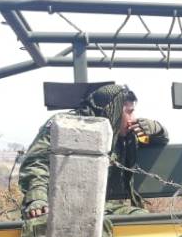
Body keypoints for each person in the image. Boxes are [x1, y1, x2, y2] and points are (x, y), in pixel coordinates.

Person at [18, 83, 168, 218]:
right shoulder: (66, 125)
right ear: (113, 111)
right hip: (60, 205)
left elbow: (159, 141)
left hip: (99, 206)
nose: (133, 119)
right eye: (129, 112)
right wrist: (37, 196)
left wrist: (157, 129)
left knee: (141, 219)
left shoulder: (125, 135)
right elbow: (37, 161)